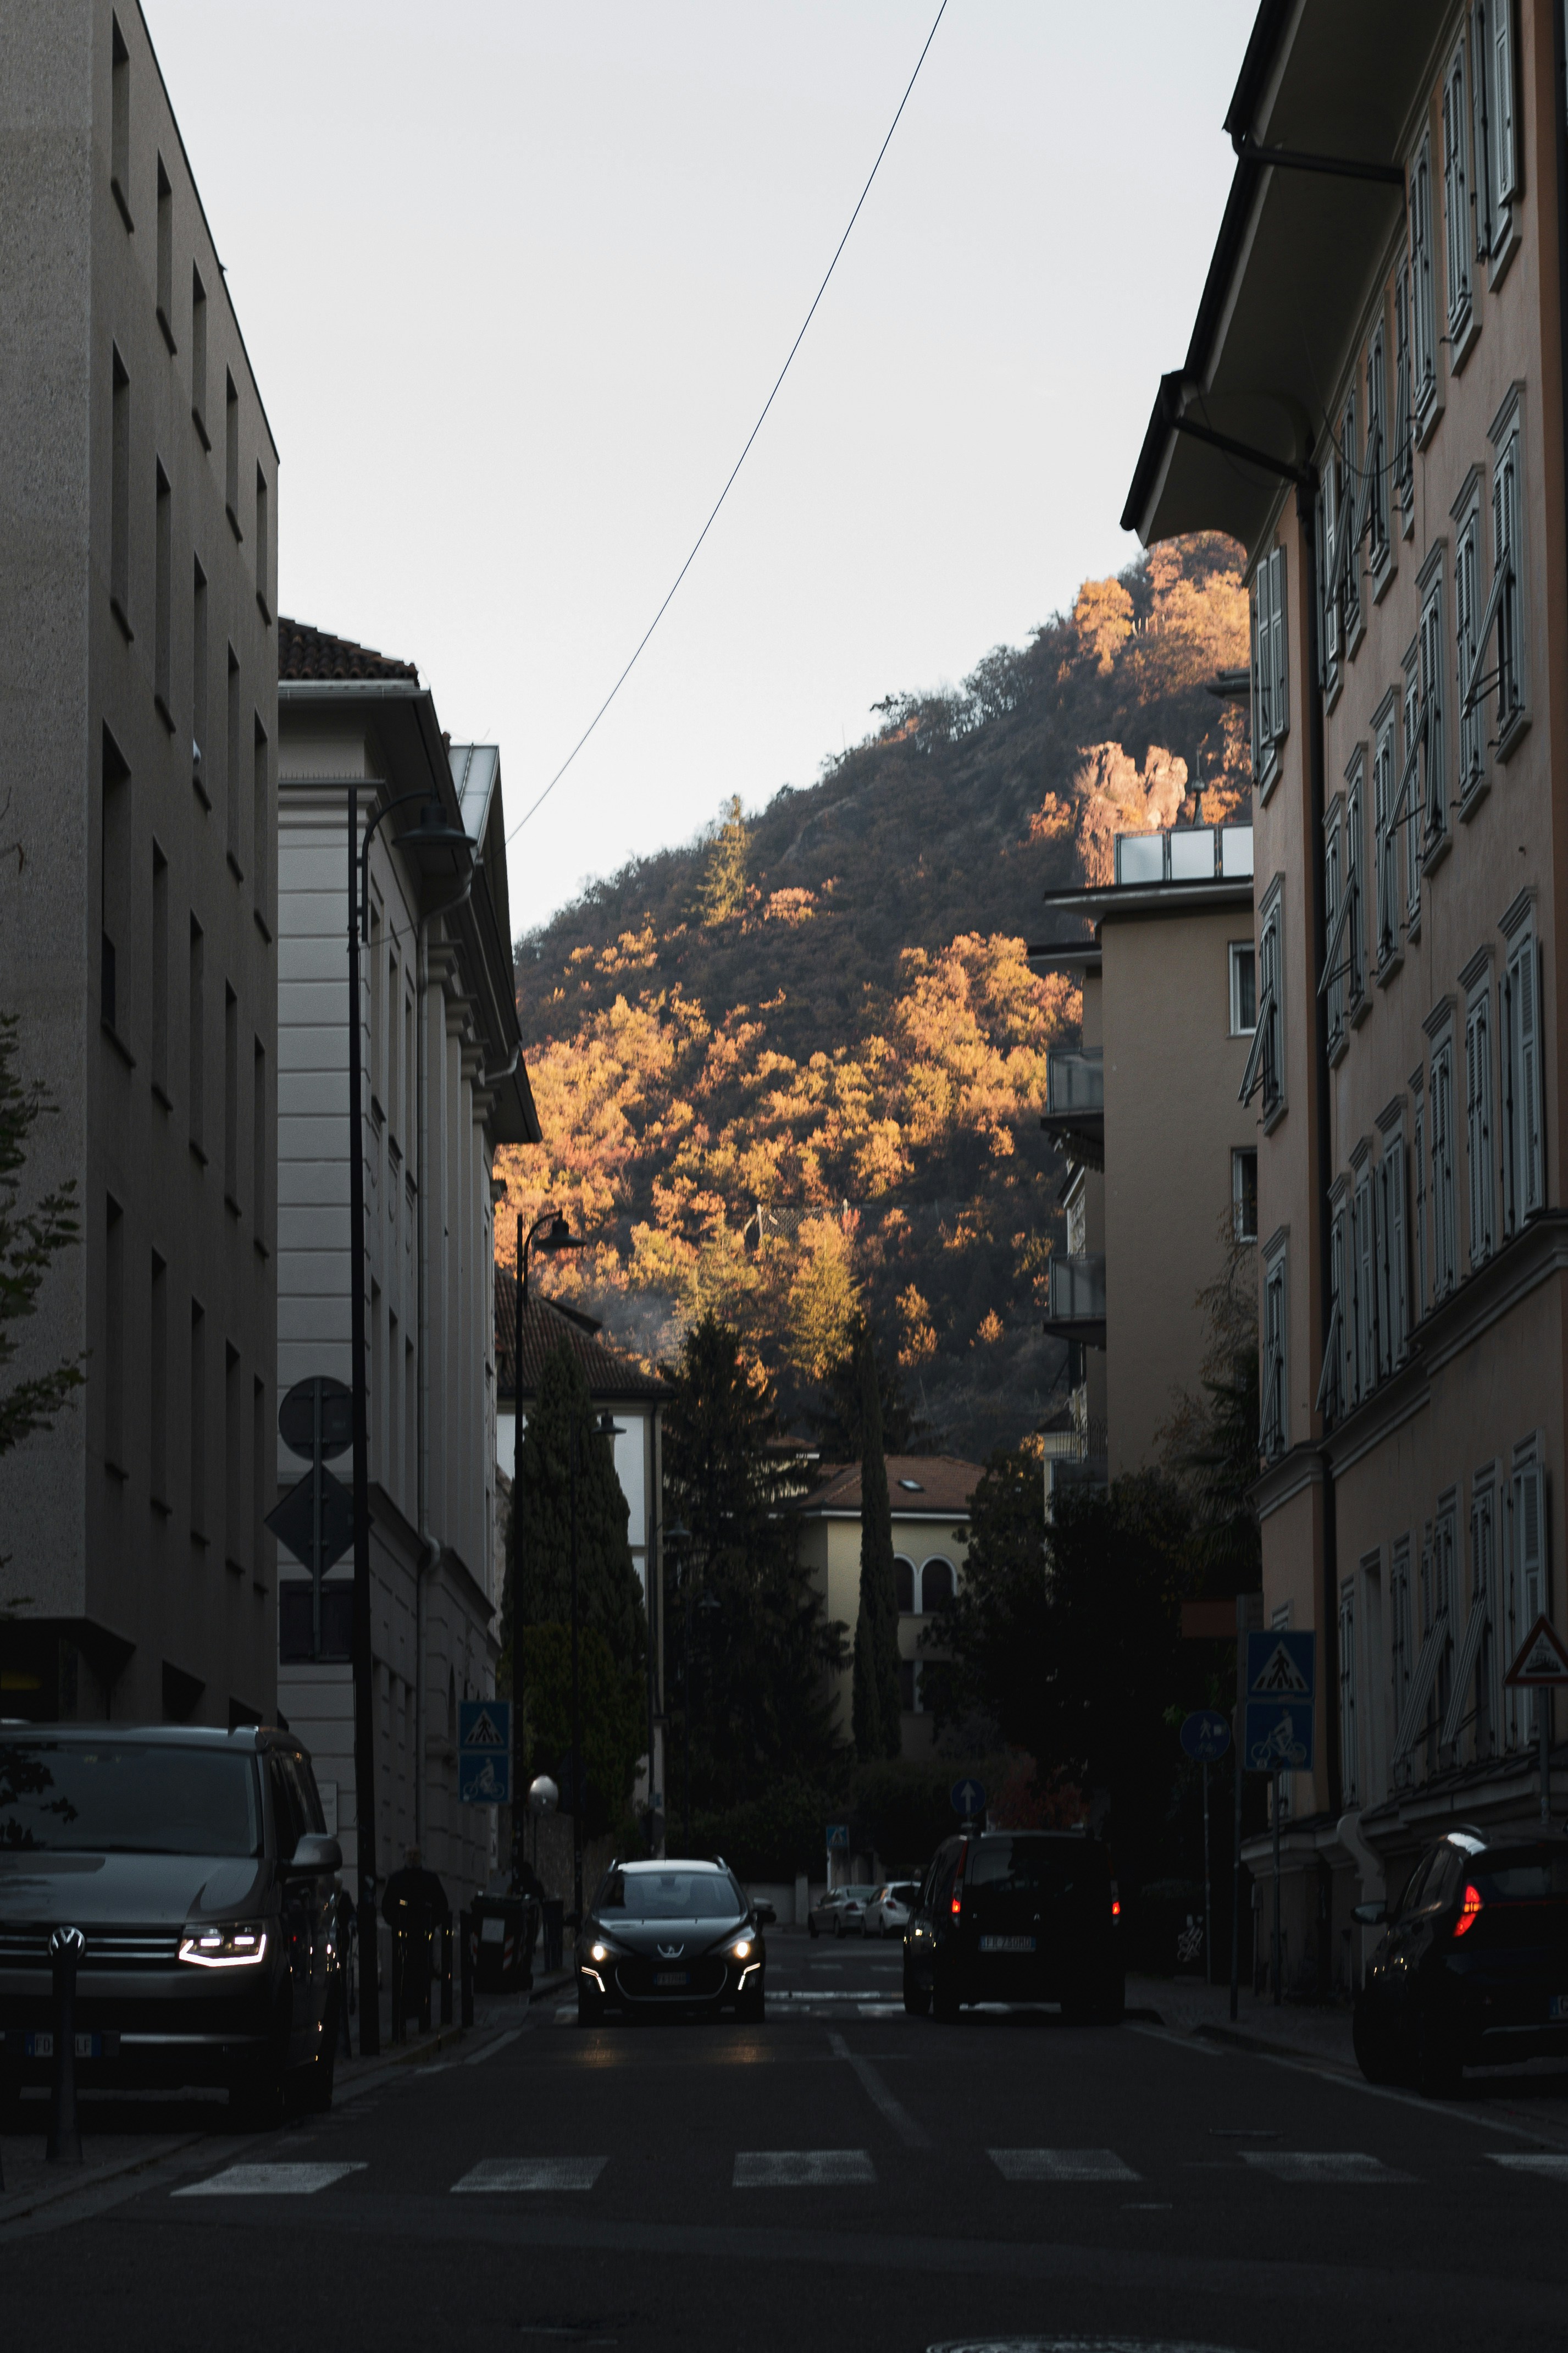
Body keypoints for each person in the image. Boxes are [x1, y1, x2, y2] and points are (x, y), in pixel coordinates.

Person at [381, 1847, 451, 2031]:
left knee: (422, 1979)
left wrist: (430, 1924)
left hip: (422, 1938)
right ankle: (401, 2022)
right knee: (402, 1979)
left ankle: (423, 2018)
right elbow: (387, 1907)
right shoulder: (397, 1880)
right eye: (410, 1854)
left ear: (421, 1857)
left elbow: (442, 1906)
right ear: (405, 1856)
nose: (413, 1858)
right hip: (403, 1938)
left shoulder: (429, 1879)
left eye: (416, 1854)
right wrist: (397, 1923)